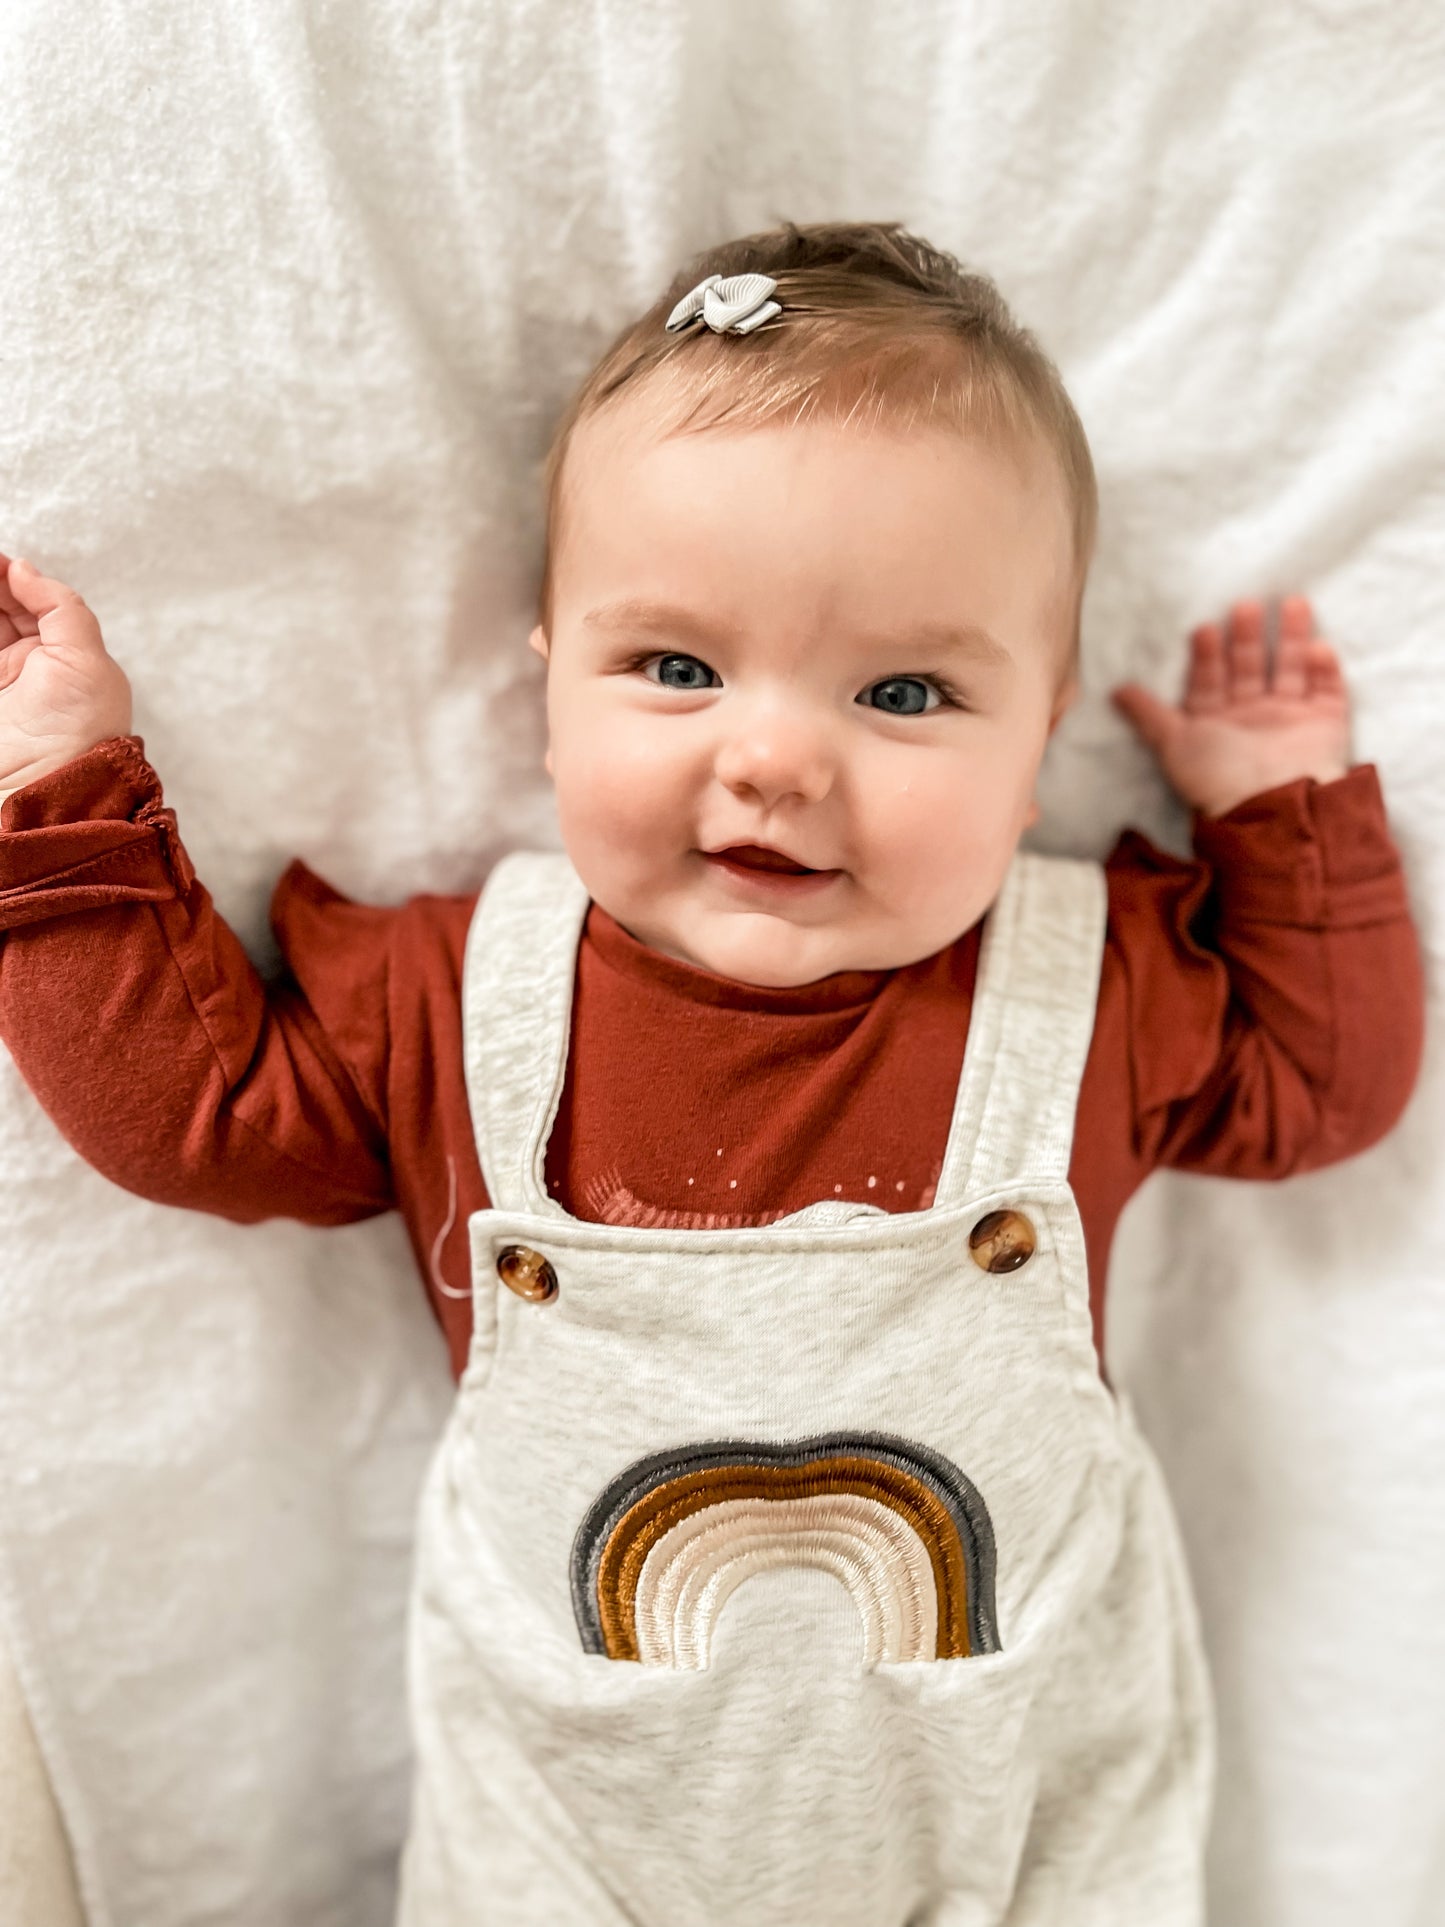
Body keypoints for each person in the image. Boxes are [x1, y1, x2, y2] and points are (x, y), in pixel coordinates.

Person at [0, 221, 1423, 1925]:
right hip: (574, 1844)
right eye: (675, 667)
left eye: (903, 691)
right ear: (548, 690)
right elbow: (192, 1120)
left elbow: (1322, 1092)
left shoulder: (1086, 985)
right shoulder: (461, 998)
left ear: (1038, 741)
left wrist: (1275, 811)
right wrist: (61, 789)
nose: (771, 758)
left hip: (1015, 1828)